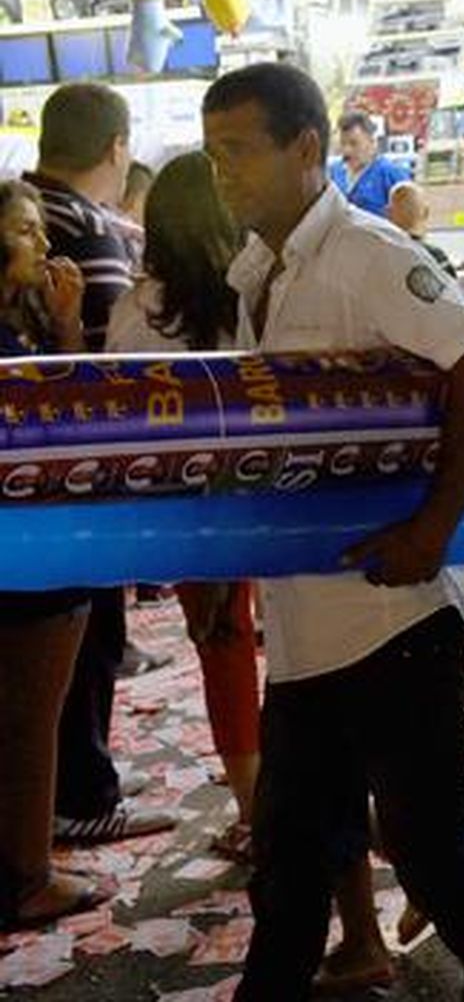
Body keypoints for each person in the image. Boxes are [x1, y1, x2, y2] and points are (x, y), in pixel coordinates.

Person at [200, 62, 464, 1001]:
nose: (222, 173)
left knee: (432, 850)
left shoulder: (367, 254)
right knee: (289, 863)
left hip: (395, 622)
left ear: (306, 148)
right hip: (304, 631)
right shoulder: (255, 272)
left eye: (239, 151)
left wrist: (434, 528)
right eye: (212, 154)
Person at [23, 82, 176, 847]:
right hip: (72, 474)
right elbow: (100, 373)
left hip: (32, 472)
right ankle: (80, 794)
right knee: (81, 643)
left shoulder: (27, 206)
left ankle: (69, 779)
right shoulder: (86, 227)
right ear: (117, 148)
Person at [107, 152, 260, 862]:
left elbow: (117, 414)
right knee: (299, 649)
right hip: (275, 491)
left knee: (223, 651)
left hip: (185, 507)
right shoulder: (254, 296)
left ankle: (256, 808)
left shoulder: (136, 310)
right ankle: (315, 802)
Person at [0, 180, 118, 930]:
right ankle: (28, 875)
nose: (44, 245)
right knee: (30, 721)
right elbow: (66, 426)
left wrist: (68, 324)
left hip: (29, 546)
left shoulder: (23, 326)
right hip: (31, 554)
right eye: (25, 230)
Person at [330, 111, 412, 218]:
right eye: (342, 143)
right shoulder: (333, 172)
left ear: (372, 142)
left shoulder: (390, 174)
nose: (346, 150)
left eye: (353, 144)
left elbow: (411, 217)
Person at [386, 180, 456, 277]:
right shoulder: (435, 257)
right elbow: (451, 286)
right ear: (426, 212)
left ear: (388, 213)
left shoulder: (381, 256)